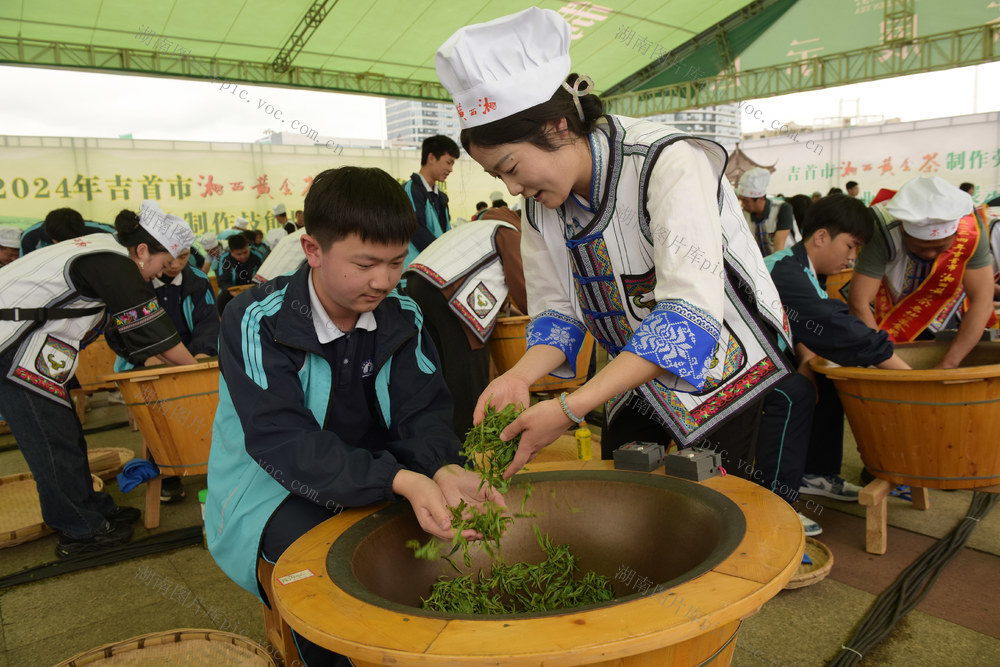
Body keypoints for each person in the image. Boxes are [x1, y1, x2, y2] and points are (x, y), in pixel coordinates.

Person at [435, 8, 792, 477]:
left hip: (725, 357)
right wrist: (518, 377)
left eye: (512, 168)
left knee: (714, 495)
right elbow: (558, 314)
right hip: (632, 362)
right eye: (497, 177)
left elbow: (688, 315)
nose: (513, 188)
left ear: (557, 127)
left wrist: (570, 408)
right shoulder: (541, 204)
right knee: (627, 481)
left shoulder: (665, 161)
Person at [204, 166, 502, 667]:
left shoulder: (402, 314)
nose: (383, 281)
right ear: (313, 250)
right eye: (364, 264)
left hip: (380, 472)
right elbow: (283, 440)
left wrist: (442, 466)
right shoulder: (258, 320)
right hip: (272, 487)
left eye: (396, 262)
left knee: (443, 546)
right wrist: (399, 479)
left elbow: (423, 411)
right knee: (322, 574)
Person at [0, 200, 198, 558]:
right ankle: (80, 529)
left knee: (65, 432)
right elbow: (153, 329)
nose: (161, 274)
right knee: (51, 440)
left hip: (29, 346)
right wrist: (196, 372)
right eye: (162, 264)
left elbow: (120, 329)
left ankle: (91, 508)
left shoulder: (106, 251)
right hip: (9, 346)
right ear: (142, 250)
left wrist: (151, 359)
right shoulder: (113, 261)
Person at [754, 195, 911, 536]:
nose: (852, 258)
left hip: (767, 356)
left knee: (827, 376)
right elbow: (834, 325)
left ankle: (816, 473)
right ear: (822, 236)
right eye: (850, 246)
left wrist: (807, 359)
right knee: (794, 391)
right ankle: (775, 500)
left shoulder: (803, 269)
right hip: (732, 366)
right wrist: (909, 377)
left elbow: (798, 324)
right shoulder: (784, 269)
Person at [848, 176, 996, 368]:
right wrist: (900, 371)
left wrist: (949, 364)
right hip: (885, 312)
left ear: (955, 234)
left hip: (944, 310)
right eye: (920, 247)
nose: (930, 254)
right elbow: (858, 303)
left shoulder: (970, 228)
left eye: (940, 248)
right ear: (903, 231)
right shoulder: (881, 227)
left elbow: (982, 300)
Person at [405, 213, 528, 437]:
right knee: (468, 372)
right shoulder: (509, 231)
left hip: (418, 281)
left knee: (442, 367)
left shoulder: (479, 227)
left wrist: (509, 307)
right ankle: (470, 440)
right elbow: (520, 280)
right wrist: (537, 312)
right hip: (448, 291)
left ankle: (441, 435)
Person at [402, 134, 459, 268]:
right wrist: (442, 255)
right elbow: (415, 229)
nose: (451, 169)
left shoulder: (441, 197)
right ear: (431, 158)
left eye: (452, 164)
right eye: (448, 162)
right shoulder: (410, 189)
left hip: (436, 268)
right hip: (415, 270)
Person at [737, 167, 800, 256]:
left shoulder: (782, 209)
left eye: (745, 201)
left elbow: (779, 250)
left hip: (787, 260)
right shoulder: (744, 214)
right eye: (741, 200)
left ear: (761, 199)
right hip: (763, 262)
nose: (742, 205)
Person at [18, 209, 116, 255]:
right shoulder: (30, 238)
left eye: (75, 241)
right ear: (49, 234)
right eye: (62, 243)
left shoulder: (104, 232)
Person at [215, 234, 264, 315]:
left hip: (254, 291)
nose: (243, 256)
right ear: (231, 252)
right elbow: (223, 281)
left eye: (245, 252)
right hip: (232, 292)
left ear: (248, 246)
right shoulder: (225, 259)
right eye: (239, 254)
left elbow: (263, 278)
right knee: (222, 299)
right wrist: (233, 292)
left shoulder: (258, 256)